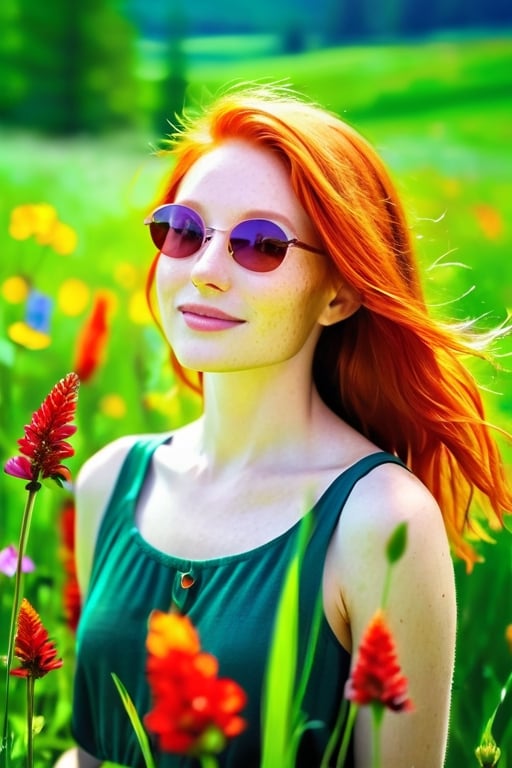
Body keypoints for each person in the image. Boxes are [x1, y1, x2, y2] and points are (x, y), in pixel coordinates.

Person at [55, 85, 511, 768]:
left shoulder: (381, 520)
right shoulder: (109, 481)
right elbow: (88, 755)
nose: (203, 271)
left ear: (339, 293)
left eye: (260, 244)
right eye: (183, 229)